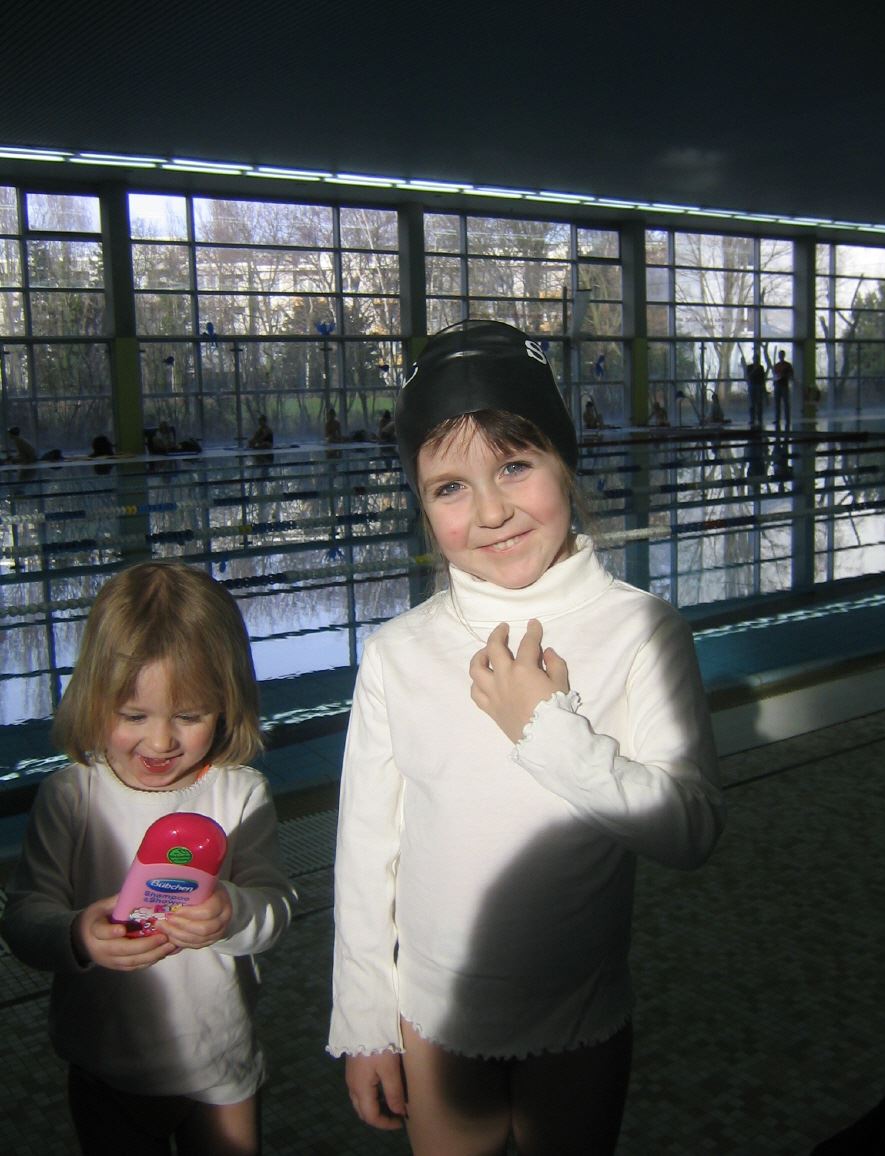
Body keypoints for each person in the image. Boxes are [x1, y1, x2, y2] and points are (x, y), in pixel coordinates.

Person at [327, 319, 724, 1155]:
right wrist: (362, 1018)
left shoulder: (642, 631)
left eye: (513, 466)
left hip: (579, 1012)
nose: (491, 511)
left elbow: (690, 830)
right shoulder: (399, 651)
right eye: (449, 487)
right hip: (431, 1013)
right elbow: (366, 853)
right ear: (420, 503)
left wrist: (544, 729)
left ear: (563, 461)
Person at [1, 561, 296, 1156]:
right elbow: (24, 918)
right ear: (92, 698)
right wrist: (76, 934)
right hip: (103, 1066)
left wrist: (233, 912)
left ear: (227, 704)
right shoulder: (71, 797)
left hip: (220, 1066)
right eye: (133, 716)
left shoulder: (240, 795)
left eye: (189, 716)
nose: (160, 742)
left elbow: (277, 910)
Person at [773, 349, 794, 431]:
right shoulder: (777, 365)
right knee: (777, 404)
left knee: (786, 403)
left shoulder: (787, 365)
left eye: (781, 355)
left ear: (783, 356)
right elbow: (775, 375)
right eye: (780, 355)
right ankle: (777, 419)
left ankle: (787, 419)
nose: (780, 356)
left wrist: (784, 376)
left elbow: (791, 374)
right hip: (778, 385)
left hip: (784, 385)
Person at [745, 353, 767, 429]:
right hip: (752, 385)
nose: (756, 360)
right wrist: (754, 370)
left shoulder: (761, 367)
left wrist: (763, 387)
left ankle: (759, 418)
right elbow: (748, 376)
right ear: (753, 359)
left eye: (757, 359)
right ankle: (752, 419)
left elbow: (763, 378)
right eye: (755, 358)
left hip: (759, 386)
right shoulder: (750, 367)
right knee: (752, 403)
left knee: (759, 403)